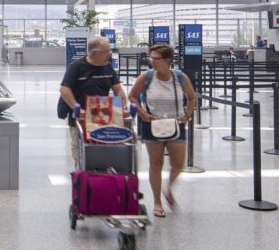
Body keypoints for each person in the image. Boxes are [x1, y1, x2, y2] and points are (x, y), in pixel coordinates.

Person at [129, 44, 197, 217]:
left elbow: (191, 97)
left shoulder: (180, 77)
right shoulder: (146, 77)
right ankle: (157, 201)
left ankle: (169, 189)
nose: (152, 61)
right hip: (152, 124)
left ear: (167, 60)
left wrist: (188, 115)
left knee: (178, 164)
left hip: (176, 124)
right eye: (150, 58)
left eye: (156, 58)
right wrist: (142, 112)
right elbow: (132, 96)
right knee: (156, 164)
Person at [58, 36, 128, 164]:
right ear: (95, 52)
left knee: (103, 147)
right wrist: (76, 107)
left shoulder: (107, 67)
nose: (109, 54)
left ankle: (102, 177)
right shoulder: (77, 67)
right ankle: (82, 177)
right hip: (81, 117)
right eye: (106, 51)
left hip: (103, 114)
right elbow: (64, 89)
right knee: (80, 149)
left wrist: (122, 104)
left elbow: (118, 89)